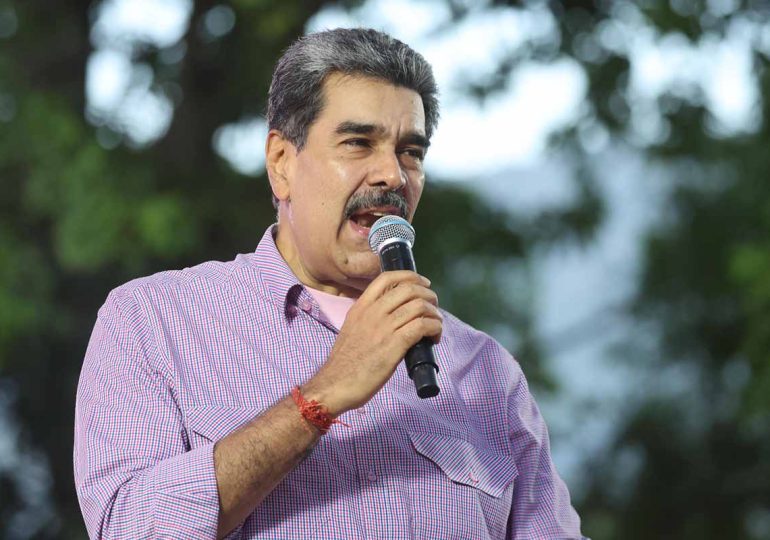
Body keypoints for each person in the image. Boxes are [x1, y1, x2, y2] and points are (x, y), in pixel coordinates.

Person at [74, 28, 586, 539]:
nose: (392, 175)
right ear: (281, 163)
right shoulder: (152, 321)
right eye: (358, 143)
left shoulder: (485, 370)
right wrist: (321, 396)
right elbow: (127, 529)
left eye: (410, 151)